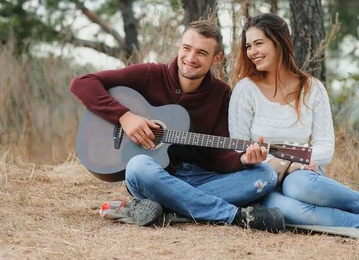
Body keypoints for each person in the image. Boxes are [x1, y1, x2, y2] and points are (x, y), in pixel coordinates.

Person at [69, 20, 284, 232]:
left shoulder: (221, 94)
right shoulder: (150, 75)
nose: (190, 58)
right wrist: (124, 116)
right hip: (152, 177)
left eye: (201, 53)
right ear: (179, 47)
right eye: (186, 48)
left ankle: (165, 207)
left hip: (198, 178)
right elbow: (82, 83)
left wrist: (243, 159)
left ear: (216, 58)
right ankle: (233, 216)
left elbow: (218, 156)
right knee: (138, 166)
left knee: (265, 175)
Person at [228, 13, 359, 239]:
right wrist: (287, 159)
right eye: (248, 46)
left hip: (301, 173)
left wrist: (296, 162)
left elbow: (325, 147)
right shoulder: (245, 90)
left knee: (300, 188)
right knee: (291, 212)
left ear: (279, 41)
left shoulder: (312, 88)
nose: (252, 52)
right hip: (263, 177)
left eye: (259, 43)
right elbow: (238, 149)